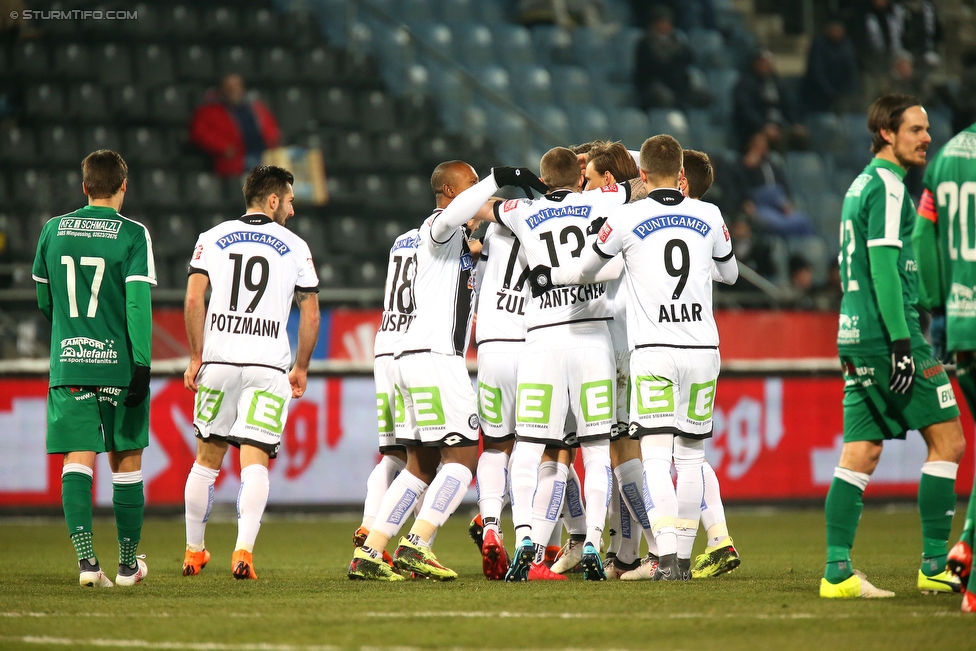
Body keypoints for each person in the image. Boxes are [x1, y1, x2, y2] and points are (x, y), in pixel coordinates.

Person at [445, 147, 651, 582]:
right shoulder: (601, 200)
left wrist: (497, 177)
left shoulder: (523, 210)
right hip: (592, 341)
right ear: (579, 177)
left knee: (527, 448)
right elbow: (645, 182)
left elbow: (470, 207)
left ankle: (525, 539)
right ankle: (594, 540)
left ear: (541, 177)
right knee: (595, 451)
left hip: (540, 344)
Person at [348, 162, 546, 581]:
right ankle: (418, 543)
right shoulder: (439, 226)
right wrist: (498, 176)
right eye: (472, 186)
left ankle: (372, 549)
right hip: (436, 358)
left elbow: (463, 253)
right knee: (463, 460)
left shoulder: (419, 241)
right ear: (449, 191)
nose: (479, 193)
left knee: (419, 464)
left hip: (404, 356)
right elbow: (453, 219)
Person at [821, 94, 965, 599]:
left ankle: (837, 571)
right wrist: (904, 344)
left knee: (861, 449)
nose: (927, 138)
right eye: (915, 130)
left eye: (927, 130)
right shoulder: (886, 186)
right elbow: (882, 265)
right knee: (949, 441)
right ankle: (932, 564)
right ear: (886, 132)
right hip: (889, 336)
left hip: (855, 334)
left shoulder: (861, 183)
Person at [182, 165, 320, 580]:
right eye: (291, 201)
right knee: (254, 462)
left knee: (206, 461)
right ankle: (243, 551)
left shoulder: (212, 237)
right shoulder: (295, 246)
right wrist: (301, 366)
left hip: (219, 362)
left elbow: (192, 299)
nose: (293, 210)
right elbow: (310, 313)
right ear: (273, 200)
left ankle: (193, 552)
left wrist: (196, 356)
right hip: (266, 366)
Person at [32, 149, 155, 588]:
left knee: (77, 459)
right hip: (118, 366)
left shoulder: (53, 230)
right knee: (127, 460)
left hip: (69, 363)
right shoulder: (133, 235)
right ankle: (126, 566)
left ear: (84, 187)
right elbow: (138, 304)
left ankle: (87, 564)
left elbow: (46, 302)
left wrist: (72, 333)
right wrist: (142, 363)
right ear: (124, 186)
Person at [913, 117, 976, 612]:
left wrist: (940, 306)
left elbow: (924, 241)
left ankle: (964, 548)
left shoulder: (949, 156)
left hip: (959, 326)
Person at [352, 227, 419, 564]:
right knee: (425, 459)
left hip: (385, 344)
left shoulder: (401, 240)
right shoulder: (441, 238)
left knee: (394, 454)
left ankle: (368, 524)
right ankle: (419, 543)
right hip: (414, 349)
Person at [189, 74, 281, 177]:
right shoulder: (208, 110)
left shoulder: (256, 107)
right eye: (229, 87)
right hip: (237, 160)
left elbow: (272, 129)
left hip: (265, 154)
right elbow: (199, 134)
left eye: (237, 86)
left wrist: (272, 141)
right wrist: (223, 147)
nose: (233, 90)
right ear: (222, 89)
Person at [632, 5, 711, 111]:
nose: (665, 25)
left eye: (667, 22)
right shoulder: (646, 42)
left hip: (678, 84)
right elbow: (656, 63)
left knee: (705, 98)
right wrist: (674, 57)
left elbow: (689, 56)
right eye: (661, 21)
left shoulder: (676, 40)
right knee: (666, 98)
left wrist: (675, 56)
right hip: (654, 83)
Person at [732, 50, 805, 152]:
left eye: (769, 63)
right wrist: (763, 126)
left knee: (802, 137)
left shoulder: (778, 84)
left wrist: (795, 122)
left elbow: (788, 104)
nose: (766, 66)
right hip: (755, 128)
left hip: (779, 126)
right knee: (777, 139)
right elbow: (745, 110)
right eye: (762, 62)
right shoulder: (745, 84)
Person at [801, 15, 860, 113]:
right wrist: (831, 92)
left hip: (842, 93)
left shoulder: (847, 46)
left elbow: (852, 69)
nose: (837, 33)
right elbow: (817, 72)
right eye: (834, 29)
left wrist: (848, 90)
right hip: (820, 96)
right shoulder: (819, 44)